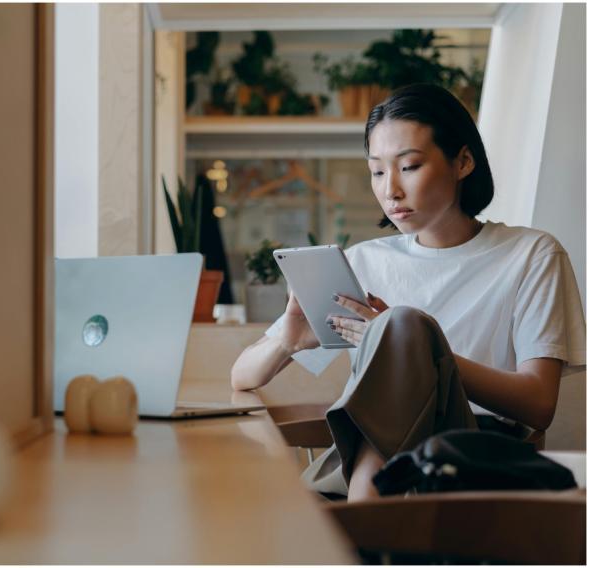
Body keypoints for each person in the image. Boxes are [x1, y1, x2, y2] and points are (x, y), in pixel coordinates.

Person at [230, 83, 586, 502]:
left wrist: (419, 351)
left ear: (463, 161)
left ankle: (364, 511)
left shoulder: (532, 254)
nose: (390, 190)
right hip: (373, 444)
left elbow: (539, 404)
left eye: (410, 166)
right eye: (377, 171)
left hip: (473, 453)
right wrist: (289, 340)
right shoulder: (363, 263)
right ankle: (369, 512)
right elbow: (243, 376)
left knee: (405, 323)